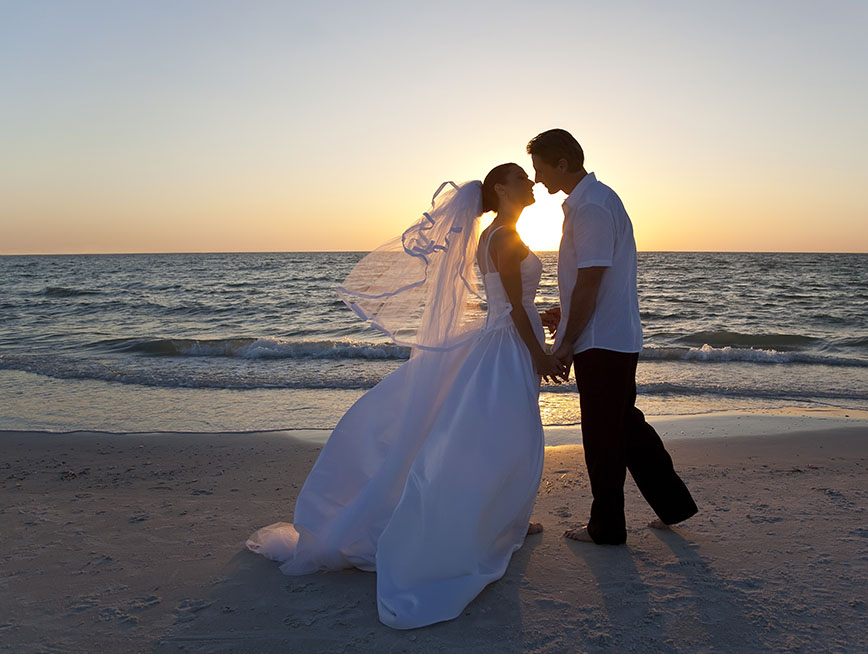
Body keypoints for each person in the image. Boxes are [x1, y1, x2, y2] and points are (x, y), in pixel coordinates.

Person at [245, 163, 564, 629]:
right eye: (521, 178)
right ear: (501, 188)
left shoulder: (498, 233)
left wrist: (544, 314)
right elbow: (514, 307)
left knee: (503, 437)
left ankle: (508, 522)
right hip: (507, 347)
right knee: (507, 438)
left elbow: (512, 301)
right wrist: (541, 353)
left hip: (502, 339)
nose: (530, 184)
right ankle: (493, 524)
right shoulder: (504, 236)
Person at [528, 129, 698, 545]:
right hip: (612, 333)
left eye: (541, 167)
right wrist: (565, 312)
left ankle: (607, 527)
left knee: (603, 435)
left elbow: (590, 282)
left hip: (601, 341)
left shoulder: (591, 208)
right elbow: (593, 284)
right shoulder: (594, 201)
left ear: (563, 163)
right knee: (625, 426)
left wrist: (566, 342)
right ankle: (674, 505)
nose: (537, 178)